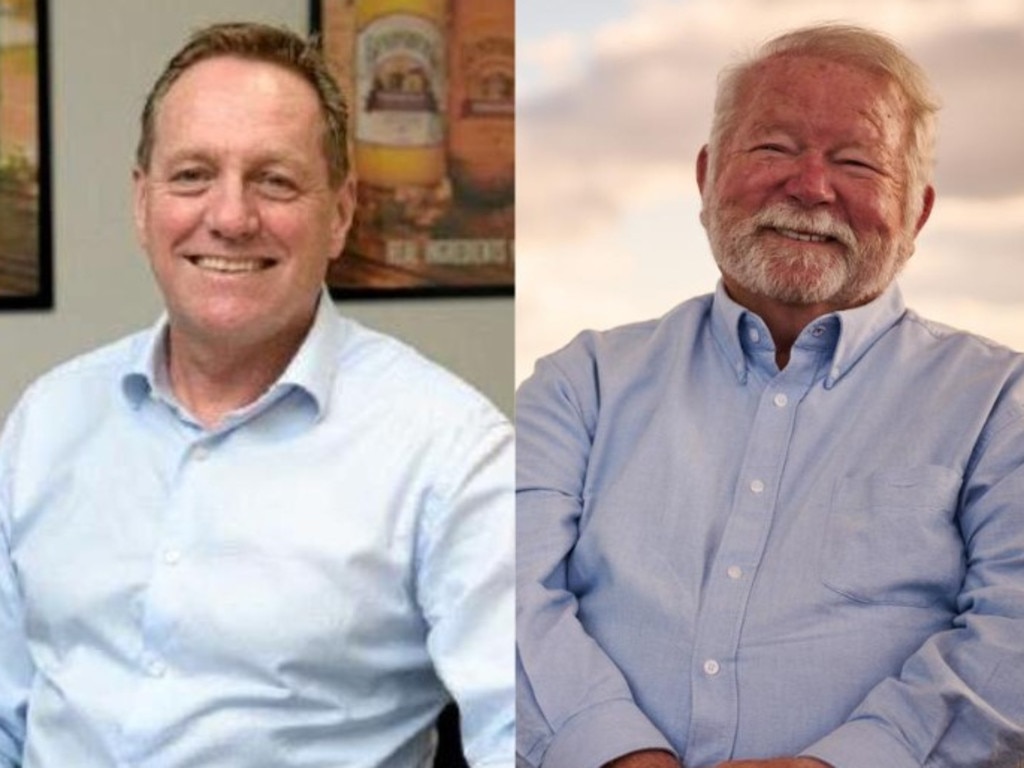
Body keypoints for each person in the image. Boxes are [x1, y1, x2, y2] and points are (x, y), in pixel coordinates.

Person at [0, 22, 513, 768]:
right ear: (142, 204)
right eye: (192, 175)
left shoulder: (451, 452)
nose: (232, 218)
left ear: (339, 214)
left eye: (274, 179)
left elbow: (524, 733)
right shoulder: (47, 422)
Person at [516, 23, 1024, 768]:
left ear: (915, 214)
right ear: (705, 177)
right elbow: (506, 594)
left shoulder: (1000, 404)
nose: (810, 186)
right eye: (774, 148)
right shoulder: (581, 381)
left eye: (855, 161)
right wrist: (618, 754)